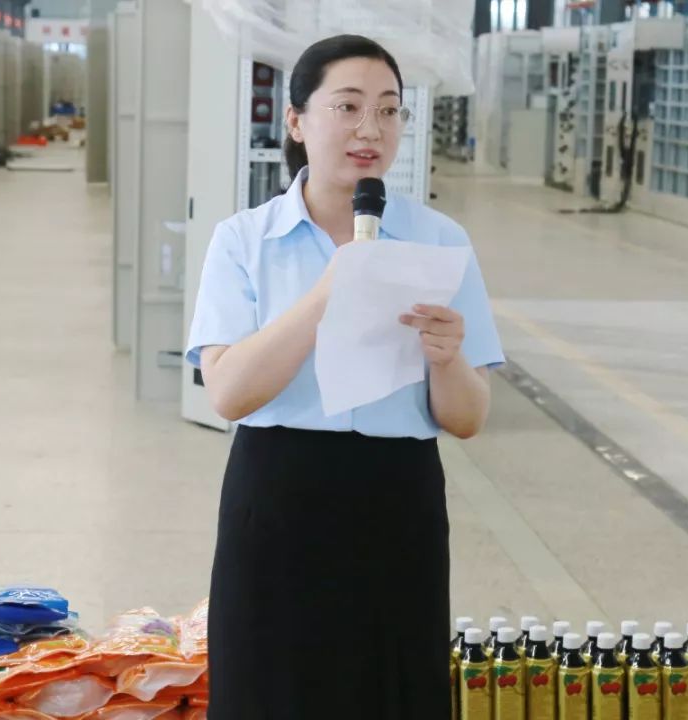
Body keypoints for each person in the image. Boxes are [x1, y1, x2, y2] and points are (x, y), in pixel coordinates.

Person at [185, 34, 505, 720]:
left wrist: (446, 358)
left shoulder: (440, 241)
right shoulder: (244, 239)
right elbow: (229, 392)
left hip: (397, 502)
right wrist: (331, 289)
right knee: (269, 692)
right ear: (297, 120)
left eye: (389, 110)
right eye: (349, 106)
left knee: (390, 692)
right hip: (278, 497)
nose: (371, 129)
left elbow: (468, 417)